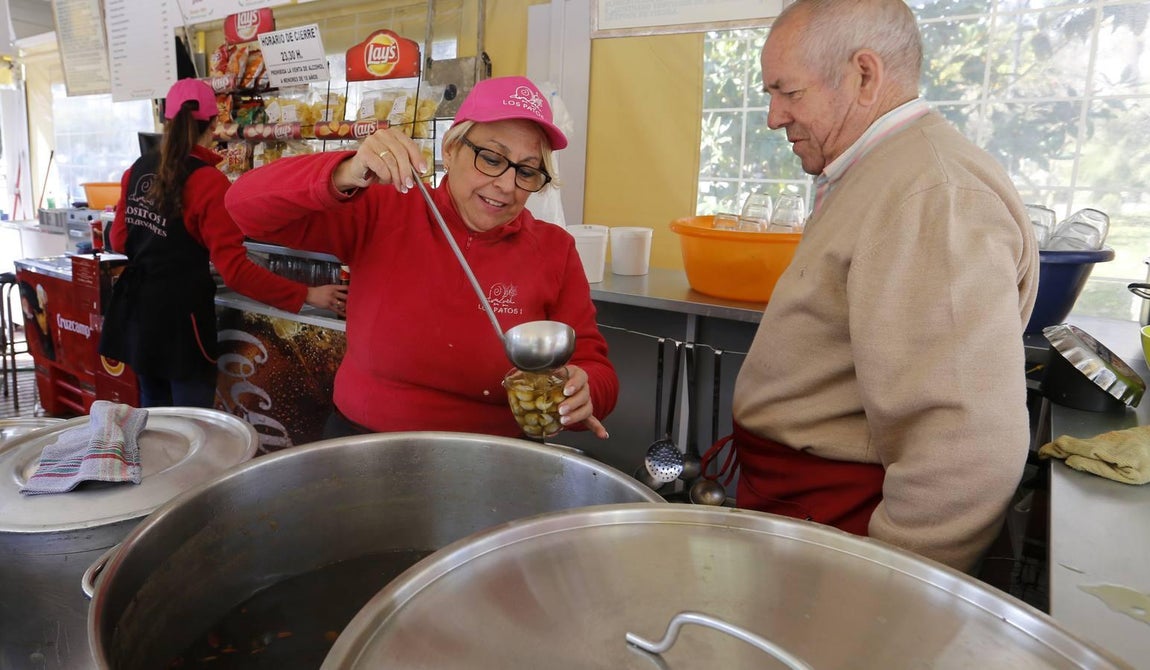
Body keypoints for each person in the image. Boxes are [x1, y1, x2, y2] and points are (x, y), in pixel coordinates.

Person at [729, 0, 1039, 573]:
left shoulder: (932, 195)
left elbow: (965, 449)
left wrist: (891, 587)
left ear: (864, 75)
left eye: (788, 92)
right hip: (801, 506)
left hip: (847, 529)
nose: (773, 116)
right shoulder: (878, 170)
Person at [225, 76, 617, 440]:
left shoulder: (555, 249)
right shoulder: (386, 207)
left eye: (528, 172)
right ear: (451, 148)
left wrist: (584, 389)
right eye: (492, 159)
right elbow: (244, 207)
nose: (507, 185)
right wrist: (347, 170)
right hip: (365, 442)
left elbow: (595, 369)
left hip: (492, 458)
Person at [100, 78, 346, 409]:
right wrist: (307, 294)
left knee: (152, 418)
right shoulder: (208, 181)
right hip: (181, 322)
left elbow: (119, 239)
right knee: (194, 425)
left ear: (166, 119)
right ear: (215, 123)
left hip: (138, 313)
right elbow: (236, 272)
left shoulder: (137, 169)